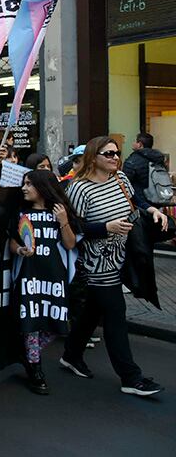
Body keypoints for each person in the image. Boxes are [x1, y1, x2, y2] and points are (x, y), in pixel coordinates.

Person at [60, 136, 168, 397]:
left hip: (124, 254)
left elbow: (135, 203)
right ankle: (131, 377)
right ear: (93, 157)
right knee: (115, 313)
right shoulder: (79, 188)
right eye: (108, 154)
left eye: (116, 153)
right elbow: (74, 229)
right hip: (96, 261)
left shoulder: (121, 179)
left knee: (93, 311)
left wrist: (152, 210)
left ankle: (71, 355)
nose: (114, 157)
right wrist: (105, 227)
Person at [9, 171, 81, 394]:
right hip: (28, 276)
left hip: (54, 278)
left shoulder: (60, 212)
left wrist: (64, 222)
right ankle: (35, 368)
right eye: (23, 183)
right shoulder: (21, 212)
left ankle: (28, 354)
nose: (24, 188)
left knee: (56, 322)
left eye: (29, 184)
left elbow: (70, 244)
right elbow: (13, 240)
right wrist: (20, 249)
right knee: (31, 322)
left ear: (43, 187)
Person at [122, 132, 167, 209]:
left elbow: (124, 182)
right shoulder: (158, 158)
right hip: (158, 198)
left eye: (134, 141)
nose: (132, 143)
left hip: (140, 202)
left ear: (139, 144)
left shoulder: (132, 161)